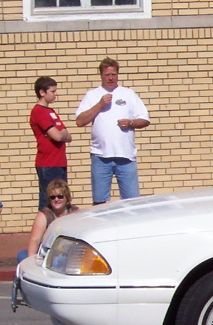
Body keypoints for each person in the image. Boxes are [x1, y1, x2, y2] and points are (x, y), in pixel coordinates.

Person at [75, 58, 151, 204]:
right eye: (107, 75)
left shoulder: (128, 94)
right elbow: (80, 121)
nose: (110, 78)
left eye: (114, 74)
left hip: (126, 157)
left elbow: (145, 120)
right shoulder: (92, 95)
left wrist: (131, 123)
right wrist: (100, 104)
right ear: (101, 75)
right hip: (101, 157)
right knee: (99, 203)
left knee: (132, 202)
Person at [30, 76, 72, 210]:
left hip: (59, 161)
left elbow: (67, 135)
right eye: (52, 91)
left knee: (62, 198)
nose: (55, 94)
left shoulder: (51, 112)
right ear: (42, 92)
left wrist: (61, 134)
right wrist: (60, 134)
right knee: (49, 200)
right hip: (48, 164)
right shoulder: (38, 111)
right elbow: (58, 136)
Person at [26, 179, 79, 258]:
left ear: (67, 198)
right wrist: (31, 260)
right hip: (48, 254)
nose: (56, 199)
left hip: (70, 254)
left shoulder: (75, 213)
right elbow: (35, 239)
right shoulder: (44, 215)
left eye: (60, 196)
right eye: (52, 197)